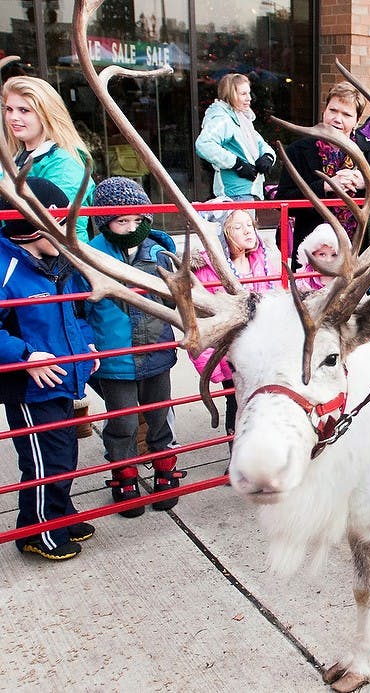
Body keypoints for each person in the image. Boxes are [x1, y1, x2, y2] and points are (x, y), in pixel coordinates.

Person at [0, 178, 98, 560]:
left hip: (62, 378)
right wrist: (24, 357)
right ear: (34, 226)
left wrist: (85, 342)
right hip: (30, 388)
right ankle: (37, 530)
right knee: (44, 461)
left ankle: (59, 513)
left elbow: (72, 310)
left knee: (64, 453)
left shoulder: (55, 264)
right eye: (61, 223)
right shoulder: (6, 267)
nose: (68, 232)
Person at [83, 178, 183, 517]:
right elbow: (79, 309)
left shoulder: (159, 251)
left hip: (156, 351)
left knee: (159, 417)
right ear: (104, 221)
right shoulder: (90, 255)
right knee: (122, 422)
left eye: (137, 220)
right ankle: (124, 473)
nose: (130, 228)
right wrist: (89, 343)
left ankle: (165, 469)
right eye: (121, 221)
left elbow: (180, 295)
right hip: (116, 359)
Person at [275, 82, 370, 259]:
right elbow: (283, 203)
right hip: (313, 256)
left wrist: (368, 183)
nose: (337, 119)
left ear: (357, 121)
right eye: (333, 110)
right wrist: (325, 186)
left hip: (359, 255)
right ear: (324, 111)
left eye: (346, 114)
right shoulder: (297, 151)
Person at [191, 208, 276, 442]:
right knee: (236, 400)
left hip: (263, 350)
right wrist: (212, 364)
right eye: (238, 227)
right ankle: (236, 452)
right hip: (232, 354)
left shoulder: (261, 260)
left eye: (249, 224)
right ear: (223, 235)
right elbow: (203, 320)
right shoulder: (207, 274)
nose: (248, 231)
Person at [2, 76, 95, 241]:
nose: (13, 117)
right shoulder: (17, 157)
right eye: (9, 109)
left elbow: (50, 224)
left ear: (46, 114)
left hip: (60, 260)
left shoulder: (65, 164)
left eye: (24, 110)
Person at [195, 73, 276, 202]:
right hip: (234, 194)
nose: (249, 98)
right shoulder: (223, 119)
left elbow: (260, 143)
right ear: (230, 94)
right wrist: (236, 164)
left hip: (246, 192)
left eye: (249, 93)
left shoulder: (240, 118)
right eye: (243, 94)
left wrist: (267, 157)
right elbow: (203, 144)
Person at [294, 223, 340, 291]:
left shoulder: (342, 276)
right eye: (322, 254)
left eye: (334, 255)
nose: (328, 260)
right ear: (312, 254)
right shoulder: (304, 279)